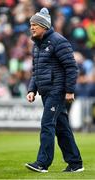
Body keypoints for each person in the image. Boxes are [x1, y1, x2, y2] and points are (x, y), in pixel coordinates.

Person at [25, 7, 84, 173]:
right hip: (46, 91)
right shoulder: (36, 45)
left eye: (35, 24)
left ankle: (42, 163)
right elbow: (36, 71)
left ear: (44, 26)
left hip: (56, 91)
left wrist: (70, 91)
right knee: (61, 128)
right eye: (31, 24)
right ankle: (75, 163)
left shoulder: (59, 41)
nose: (32, 27)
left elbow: (71, 67)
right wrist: (32, 89)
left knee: (47, 124)